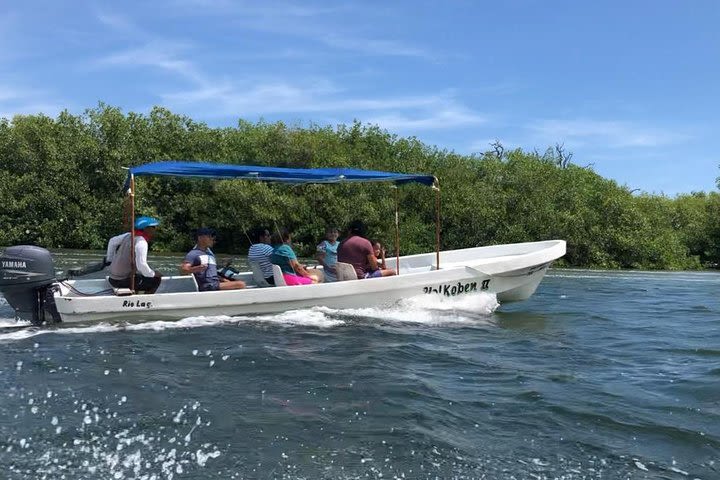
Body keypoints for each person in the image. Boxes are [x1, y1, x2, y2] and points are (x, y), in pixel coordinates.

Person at [180, 227, 246, 291]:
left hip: (214, 284)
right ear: (200, 238)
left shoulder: (210, 255)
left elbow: (212, 275)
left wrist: (224, 280)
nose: (212, 238)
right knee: (241, 284)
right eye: (209, 236)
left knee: (236, 281)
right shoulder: (193, 254)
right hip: (207, 286)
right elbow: (183, 270)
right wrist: (197, 268)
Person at [108, 216, 162, 293]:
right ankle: (146, 302)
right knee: (156, 280)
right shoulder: (141, 242)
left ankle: (136, 293)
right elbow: (141, 265)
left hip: (112, 278)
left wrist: (109, 259)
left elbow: (112, 241)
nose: (155, 230)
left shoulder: (127, 235)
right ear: (146, 229)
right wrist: (153, 274)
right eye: (153, 227)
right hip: (122, 281)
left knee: (137, 275)